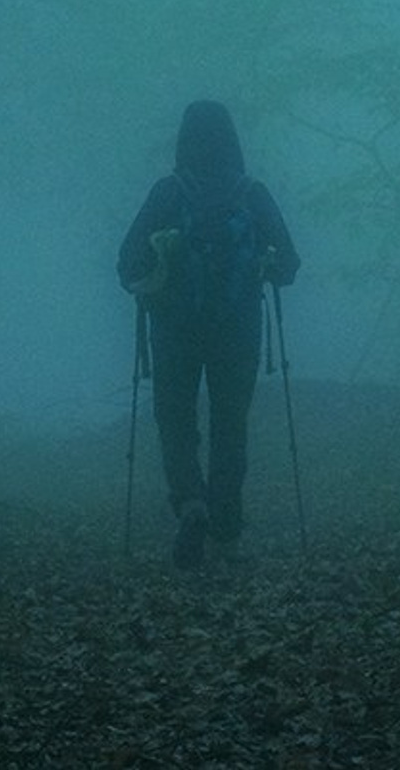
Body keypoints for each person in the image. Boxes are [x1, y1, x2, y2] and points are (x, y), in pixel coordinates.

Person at [116, 98, 299, 570]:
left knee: (175, 419)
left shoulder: (168, 192)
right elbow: (290, 267)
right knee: (230, 424)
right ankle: (226, 528)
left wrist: (154, 278)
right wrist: (261, 265)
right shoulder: (251, 193)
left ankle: (191, 502)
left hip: (175, 329)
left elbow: (127, 262)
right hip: (237, 330)